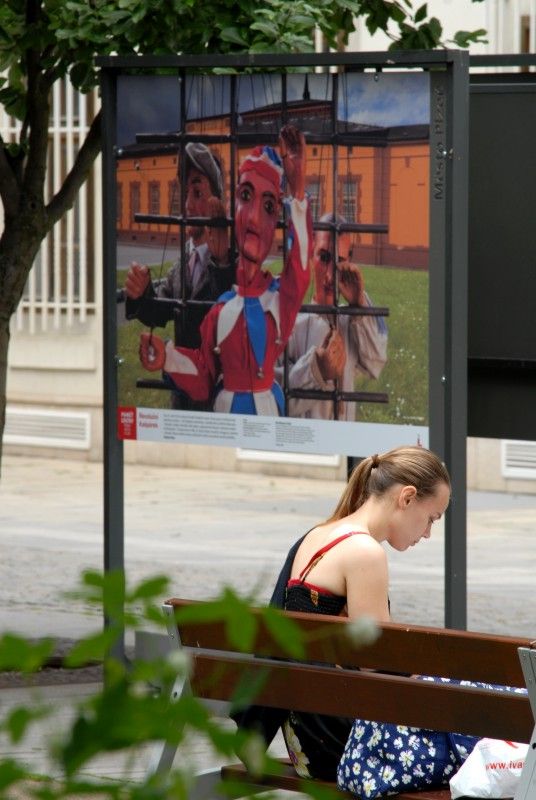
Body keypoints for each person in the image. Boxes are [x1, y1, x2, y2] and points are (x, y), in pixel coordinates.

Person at [237, 445, 451, 781]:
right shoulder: (364, 552)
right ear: (407, 497)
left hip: (303, 740)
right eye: (431, 518)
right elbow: (378, 662)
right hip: (342, 748)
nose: (427, 533)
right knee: (474, 747)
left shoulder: (319, 535)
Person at [139, 125, 312, 416]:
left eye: (269, 207)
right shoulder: (220, 310)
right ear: (233, 208)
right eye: (246, 196)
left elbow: (301, 264)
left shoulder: (280, 301)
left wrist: (297, 192)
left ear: (276, 224)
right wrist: (166, 357)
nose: (255, 217)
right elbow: (205, 374)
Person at [124, 142, 233, 410]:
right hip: (182, 400)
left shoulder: (233, 261)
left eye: (197, 192)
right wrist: (141, 294)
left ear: (217, 202)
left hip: (219, 402)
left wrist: (222, 263)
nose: (188, 205)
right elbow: (159, 312)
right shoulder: (184, 262)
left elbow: (230, 312)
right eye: (185, 194)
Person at [284, 213, 388, 420]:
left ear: (350, 262)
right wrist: (316, 371)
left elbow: (376, 364)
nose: (331, 275)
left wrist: (359, 307)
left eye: (340, 261)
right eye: (324, 257)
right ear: (310, 254)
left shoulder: (353, 322)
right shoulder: (292, 324)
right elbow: (276, 400)